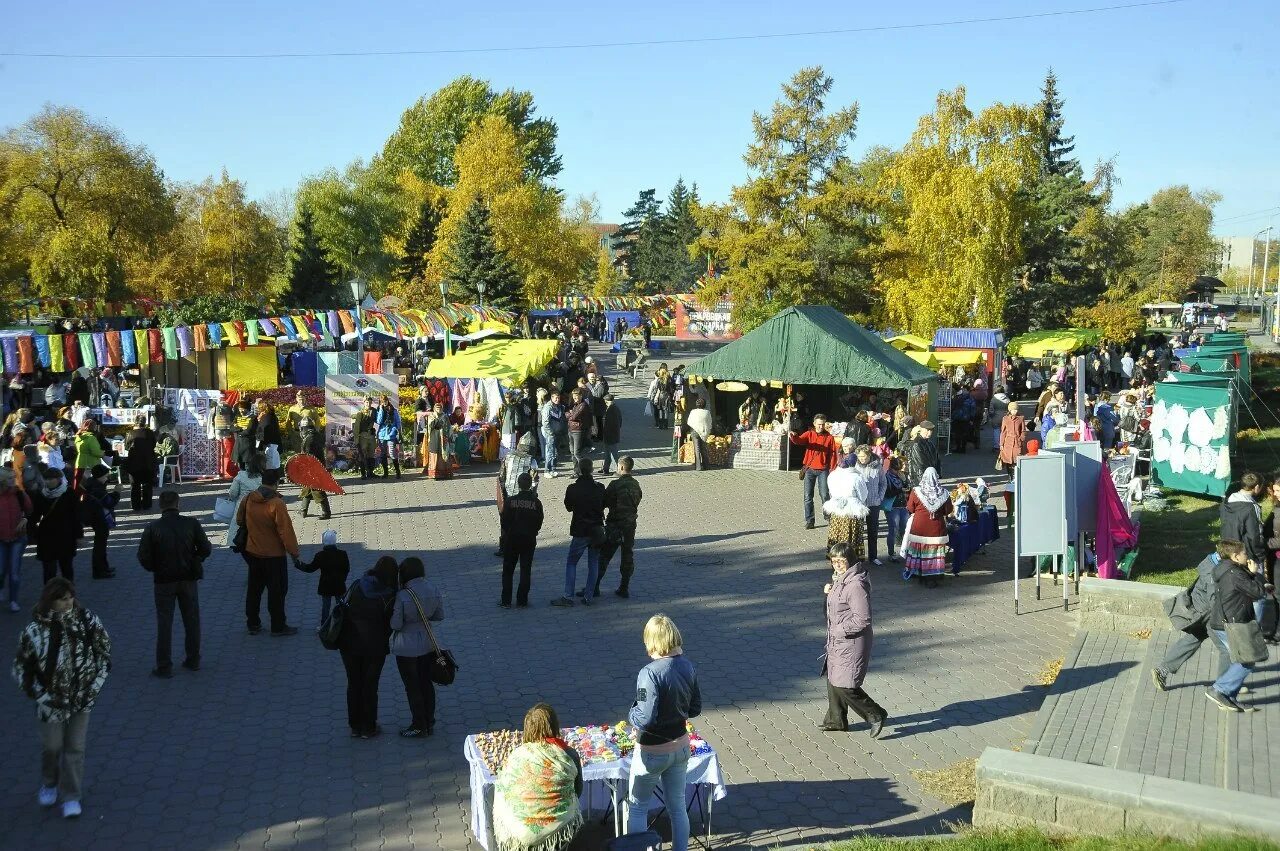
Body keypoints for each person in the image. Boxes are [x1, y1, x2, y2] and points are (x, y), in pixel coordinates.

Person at [12, 577, 112, 819]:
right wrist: (42, 695)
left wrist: (94, 686)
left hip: (82, 698)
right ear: (50, 600)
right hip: (50, 702)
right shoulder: (34, 631)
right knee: (52, 746)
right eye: (62, 599)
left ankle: (71, 796)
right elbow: (21, 669)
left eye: (70, 598)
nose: (68, 603)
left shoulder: (87, 621)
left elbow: (104, 653)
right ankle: (49, 782)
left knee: (75, 748)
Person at [623, 614, 701, 851]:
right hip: (680, 745)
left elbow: (645, 717)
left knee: (637, 806)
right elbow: (695, 708)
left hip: (652, 751)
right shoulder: (688, 666)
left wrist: (631, 714)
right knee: (677, 806)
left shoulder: (649, 673)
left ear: (652, 641)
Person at [136, 490, 211, 678]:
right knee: (192, 619)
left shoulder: (153, 527)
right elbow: (206, 548)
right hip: (188, 578)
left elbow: (143, 556)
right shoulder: (191, 524)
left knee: (164, 622)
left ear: (160, 505)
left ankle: (164, 665)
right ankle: (193, 659)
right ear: (178, 504)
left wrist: (155, 567)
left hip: (163, 580)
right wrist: (196, 559)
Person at [493, 703, 584, 851]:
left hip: (518, 828)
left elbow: (505, 785)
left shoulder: (517, 754)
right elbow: (578, 791)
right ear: (555, 726)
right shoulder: (569, 755)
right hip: (557, 828)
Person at [820, 542, 887, 737]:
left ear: (850, 560)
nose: (838, 565)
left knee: (845, 683)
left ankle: (875, 714)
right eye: (834, 561)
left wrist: (839, 631)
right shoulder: (840, 579)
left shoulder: (855, 585)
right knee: (833, 678)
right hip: (839, 640)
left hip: (852, 641)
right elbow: (831, 612)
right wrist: (827, 595)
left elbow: (863, 619)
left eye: (841, 561)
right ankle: (836, 720)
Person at [1152, 544, 1232, 692]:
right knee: (1227, 648)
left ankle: (1162, 669)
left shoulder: (1210, 562)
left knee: (1193, 639)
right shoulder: (1213, 576)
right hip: (1208, 615)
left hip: (1200, 610)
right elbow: (1215, 602)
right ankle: (1224, 688)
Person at [235, 469, 301, 636]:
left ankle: (253, 623)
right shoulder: (276, 503)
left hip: (253, 552)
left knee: (254, 590)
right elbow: (285, 530)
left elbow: (239, 520)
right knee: (277, 592)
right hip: (274, 555)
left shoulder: (249, 498)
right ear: (276, 482)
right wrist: (293, 553)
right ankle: (278, 626)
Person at [338, 557, 397, 738]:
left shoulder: (357, 585)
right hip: (375, 648)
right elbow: (391, 624)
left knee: (354, 683)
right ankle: (368, 727)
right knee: (370, 685)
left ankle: (355, 726)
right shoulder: (389, 594)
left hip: (349, 644)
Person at [1206, 540, 1267, 712]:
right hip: (1232, 623)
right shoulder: (1235, 574)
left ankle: (1229, 698)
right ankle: (1219, 689)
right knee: (1248, 660)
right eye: (1244, 553)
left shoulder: (1224, 569)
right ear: (1234, 556)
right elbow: (1258, 592)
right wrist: (1256, 574)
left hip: (1222, 621)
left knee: (1241, 660)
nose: (1247, 556)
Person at [390, 556, 445, 738]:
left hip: (406, 648)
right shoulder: (432, 588)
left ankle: (418, 725)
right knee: (426, 684)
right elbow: (439, 616)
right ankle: (429, 720)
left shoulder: (403, 595)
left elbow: (396, 625)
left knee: (412, 686)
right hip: (427, 644)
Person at [553, 458, 604, 608]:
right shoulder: (600, 487)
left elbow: (568, 507)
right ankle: (589, 596)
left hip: (580, 530)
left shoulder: (573, 488)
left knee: (571, 562)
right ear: (592, 470)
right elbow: (605, 503)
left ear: (579, 470)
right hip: (596, 531)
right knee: (593, 563)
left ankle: (568, 596)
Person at [594, 456, 642, 599]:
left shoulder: (615, 485)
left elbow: (604, 502)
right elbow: (638, 499)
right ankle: (624, 586)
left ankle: (594, 586)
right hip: (630, 526)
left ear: (621, 467)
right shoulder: (636, 484)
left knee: (604, 556)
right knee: (627, 556)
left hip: (615, 525)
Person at [901, 467, 952, 588]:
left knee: (919, 550)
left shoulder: (916, 491)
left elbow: (910, 508)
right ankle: (933, 575)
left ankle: (917, 571)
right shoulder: (944, 493)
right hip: (937, 528)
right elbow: (948, 510)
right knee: (934, 552)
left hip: (919, 527)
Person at [500, 472, 544, 609]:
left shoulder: (510, 501)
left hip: (512, 540)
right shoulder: (536, 502)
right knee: (525, 569)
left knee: (508, 570)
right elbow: (539, 520)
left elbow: (504, 520)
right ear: (530, 485)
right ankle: (522, 600)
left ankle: (506, 601)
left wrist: (508, 533)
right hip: (528, 540)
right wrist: (534, 532)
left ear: (518, 485)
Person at [789, 413, 839, 529]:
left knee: (825, 495)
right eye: (819, 424)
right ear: (814, 424)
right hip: (810, 469)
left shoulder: (829, 438)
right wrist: (794, 436)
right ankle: (810, 520)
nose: (821, 427)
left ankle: (828, 516)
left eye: (822, 424)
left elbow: (832, 454)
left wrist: (832, 468)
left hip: (823, 470)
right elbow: (799, 441)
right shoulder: (809, 434)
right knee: (807, 496)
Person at [31, 468, 80, 586]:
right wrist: (32, 531)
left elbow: (76, 516)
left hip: (66, 535)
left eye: (51, 479)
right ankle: (49, 598)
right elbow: (35, 516)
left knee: (66, 569)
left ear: (58, 479)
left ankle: (69, 597)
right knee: (49, 572)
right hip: (47, 536)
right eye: (46, 479)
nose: (48, 482)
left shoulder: (69, 493)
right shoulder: (41, 494)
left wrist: (79, 535)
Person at [496, 432, 540, 558]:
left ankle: (504, 548)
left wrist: (503, 495)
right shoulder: (532, 461)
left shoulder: (508, 457)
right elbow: (534, 481)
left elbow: (501, 477)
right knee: (523, 522)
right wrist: (533, 496)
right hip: (524, 497)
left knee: (506, 522)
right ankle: (522, 548)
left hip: (509, 497)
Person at [823, 450, 870, 560]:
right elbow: (863, 495)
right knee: (851, 534)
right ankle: (850, 557)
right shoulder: (856, 477)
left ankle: (835, 556)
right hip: (852, 511)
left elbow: (830, 491)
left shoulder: (832, 475)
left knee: (836, 533)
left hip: (836, 509)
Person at [299, 529, 350, 627]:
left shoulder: (320, 555)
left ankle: (324, 626)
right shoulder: (343, 554)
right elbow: (346, 568)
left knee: (326, 607)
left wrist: (298, 564)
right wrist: (342, 579)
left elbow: (310, 568)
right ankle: (342, 625)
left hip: (325, 585)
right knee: (340, 606)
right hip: (339, 585)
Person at [0, 468, 32, 612]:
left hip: (17, 537)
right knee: (1, 570)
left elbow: (30, 510)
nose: (13, 480)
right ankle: (1, 589)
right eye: (9, 478)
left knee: (14, 572)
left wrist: (25, 518)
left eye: (13, 477)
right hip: (1, 538)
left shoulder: (18, 493)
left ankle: (13, 600)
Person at [79, 464, 119, 580]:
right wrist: (117, 492)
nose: (107, 478)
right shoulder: (97, 488)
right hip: (99, 518)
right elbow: (109, 502)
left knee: (101, 544)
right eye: (105, 476)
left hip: (96, 518)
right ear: (100, 476)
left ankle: (104, 567)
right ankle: (99, 570)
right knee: (100, 545)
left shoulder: (93, 484)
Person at [1220, 472, 1266, 569]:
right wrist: (1260, 555)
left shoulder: (1226, 503)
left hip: (1229, 551)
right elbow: (1255, 536)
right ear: (1257, 487)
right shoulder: (1251, 508)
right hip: (1247, 556)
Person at [852, 444, 887, 565]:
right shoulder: (855, 466)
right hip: (860, 504)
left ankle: (873, 557)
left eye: (864, 457)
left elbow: (883, 483)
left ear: (869, 455)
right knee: (858, 532)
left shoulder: (877, 466)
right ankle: (858, 557)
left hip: (874, 503)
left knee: (873, 531)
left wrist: (880, 497)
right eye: (859, 456)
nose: (861, 459)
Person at [223, 451, 264, 549]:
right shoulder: (263, 478)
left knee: (238, 526)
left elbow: (232, 493)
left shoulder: (240, 476)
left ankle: (237, 542)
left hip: (242, 506)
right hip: (259, 508)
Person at [297, 416, 332, 519]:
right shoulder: (316, 435)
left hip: (314, 468)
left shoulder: (309, 439)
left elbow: (308, 457)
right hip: (317, 465)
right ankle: (303, 510)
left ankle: (326, 512)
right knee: (307, 489)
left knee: (317, 489)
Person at [997, 402, 1026, 525]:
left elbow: (1023, 430)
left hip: (1017, 444)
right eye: (1013, 410)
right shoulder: (1005, 418)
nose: (1015, 412)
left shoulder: (1021, 418)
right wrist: (1001, 444)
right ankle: (1010, 477)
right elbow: (1002, 431)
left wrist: (1021, 439)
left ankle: (1014, 478)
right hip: (1008, 443)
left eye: (1016, 410)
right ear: (1009, 410)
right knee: (1008, 462)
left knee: (1016, 462)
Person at [123, 414, 158, 512]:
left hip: (134, 462)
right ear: (145, 422)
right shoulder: (150, 433)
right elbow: (154, 444)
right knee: (147, 485)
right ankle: (147, 505)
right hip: (148, 462)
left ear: (135, 422)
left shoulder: (130, 433)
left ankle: (136, 505)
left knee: (135, 485)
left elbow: (126, 447)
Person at [901, 421, 942, 490]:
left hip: (929, 476)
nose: (930, 433)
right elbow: (921, 463)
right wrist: (931, 474)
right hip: (919, 477)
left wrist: (937, 474)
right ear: (921, 429)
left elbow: (937, 459)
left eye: (931, 430)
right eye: (927, 430)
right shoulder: (917, 444)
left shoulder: (930, 443)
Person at [882, 458, 908, 563]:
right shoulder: (887, 476)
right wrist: (900, 489)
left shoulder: (903, 475)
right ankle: (891, 553)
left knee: (905, 529)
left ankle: (905, 551)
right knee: (893, 529)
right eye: (904, 464)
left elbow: (907, 487)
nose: (906, 465)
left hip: (903, 505)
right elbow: (887, 493)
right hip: (892, 506)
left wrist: (905, 483)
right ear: (897, 466)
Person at [423, 402, 455, 481]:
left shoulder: (445, 416)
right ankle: (434, 474)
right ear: (434, 408)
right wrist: (436, 418)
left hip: (444, 438)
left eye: (440, 408)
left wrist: (450, 436)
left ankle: (445, 473)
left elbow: (449, 427)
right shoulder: (431, 416)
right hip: (434, 438)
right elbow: (431, 427)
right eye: (437, 408)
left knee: (444, 455)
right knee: (435, 454)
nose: (438, 409)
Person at [538, 389, 566, 478]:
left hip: (558, 433)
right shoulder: (548, 407)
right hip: (550, 433)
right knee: (549, 451)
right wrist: (550, 433)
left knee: (555, 452)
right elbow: (545, 422)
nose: (557, 399)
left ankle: (553, 469)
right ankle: (547, 470)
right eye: (555, 398)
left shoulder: (559, 406)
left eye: (558, 397)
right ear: (552, 398)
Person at [72, 419, 105, 492]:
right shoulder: (91, 438)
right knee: (90, 486)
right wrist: (103, 453)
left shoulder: (78, 437)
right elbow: (96, 452)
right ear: (92, 427)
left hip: (80, 463)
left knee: (78, 484)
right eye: (95, 426)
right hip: (91, 464)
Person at [375, 395, 402, 479]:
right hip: (382, 434)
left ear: (388, 401)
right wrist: (381, 410)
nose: (384, 403)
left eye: (385, 401)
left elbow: (398, 422)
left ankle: (398, 472)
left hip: (391, 433)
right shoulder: (379, 410)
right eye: (382, 401)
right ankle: (385, 473)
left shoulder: (394, 410)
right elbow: (379, 421)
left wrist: (399, 432)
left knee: (392, 453)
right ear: (380, 402)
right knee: (383, 454)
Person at [353, 396, 378, 479]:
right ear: (364, 403)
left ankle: (370, 472)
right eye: (367, 402)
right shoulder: (360, 413)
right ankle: (363, 474)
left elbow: (378, 418)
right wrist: (356, 439)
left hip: (371, 436)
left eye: (370, 402)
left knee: (371, 454)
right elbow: (356, 427)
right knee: (362, 455)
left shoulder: (374, 411)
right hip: (363, 436)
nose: (369, 404)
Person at [685, 397, 713, 471]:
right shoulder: (707, 412)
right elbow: (709, 423)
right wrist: (708, 430)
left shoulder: (693, 411)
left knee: (697, 449)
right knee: (704, 449)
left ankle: (698, 467)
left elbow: (689, 421)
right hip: (704, 431)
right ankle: (706, 465)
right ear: (704, 405)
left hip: (694, 431)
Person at [565, 387, 592, 462]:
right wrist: (569, 414)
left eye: (576, 396)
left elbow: (574, 416)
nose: (574, 398)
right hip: (571, 429)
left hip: (578, 431)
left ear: (581, 395)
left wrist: (569, 414)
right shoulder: (575, 404)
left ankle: (584, 467)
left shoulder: (583, 405)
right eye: (573, 396)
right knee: (572, 452)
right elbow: (568, 414)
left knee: (577, 453)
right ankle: (576, 471)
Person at [601, 393, 623, 476]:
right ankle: (605, 469)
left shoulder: (611, 409)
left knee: (614, 454)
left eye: (606, 402)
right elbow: (620, 421)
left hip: (611, 435)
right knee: (607, 453)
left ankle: (620, 470)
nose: (606, 403)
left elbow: (611, 424)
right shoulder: (614, 408)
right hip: (611, 434)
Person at [586, 371, 609, 441]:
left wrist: (603, 381)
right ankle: (593, 434)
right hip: (591, 407)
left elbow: (605, 389)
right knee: (593, 422)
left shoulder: (600, 385)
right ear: (588, 379)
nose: (592, 379)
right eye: (591, 378)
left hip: (599, 407)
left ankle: (600, 436)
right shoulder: (587, 385)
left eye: (593, 377)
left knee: (599, 422)